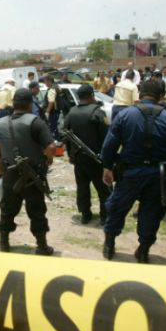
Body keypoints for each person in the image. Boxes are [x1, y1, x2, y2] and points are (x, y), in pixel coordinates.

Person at [100, 80, 166, 263]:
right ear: (161, 95)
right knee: (151, 213)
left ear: (140, 94)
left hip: (129, 175)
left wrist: (107, 167)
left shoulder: (125, 115)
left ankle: (109, 245)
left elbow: (109, 146)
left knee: (116, 208)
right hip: (157, 177)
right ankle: (143, 251)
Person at [0, 88, 56, 255]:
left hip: (10, 173)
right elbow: (51, 146)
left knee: (7, 208)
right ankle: (42, 246)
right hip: (32, 176)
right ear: (30, 104)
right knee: (36, 210)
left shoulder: (1, 124)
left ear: (14, 104)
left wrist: (0, 170)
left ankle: (4, 243)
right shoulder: (35, 122)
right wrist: (48, 160)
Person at [62, 84, 110, 225]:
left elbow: (65, 136)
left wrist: (71, 155)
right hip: (96, 159)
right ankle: (105, 216)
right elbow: (107, 138)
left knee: (82, 187)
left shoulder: (71, 113)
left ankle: (85, 214)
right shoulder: (98, 112)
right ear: (91, 96)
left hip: (78, 158)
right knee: (103, 189)